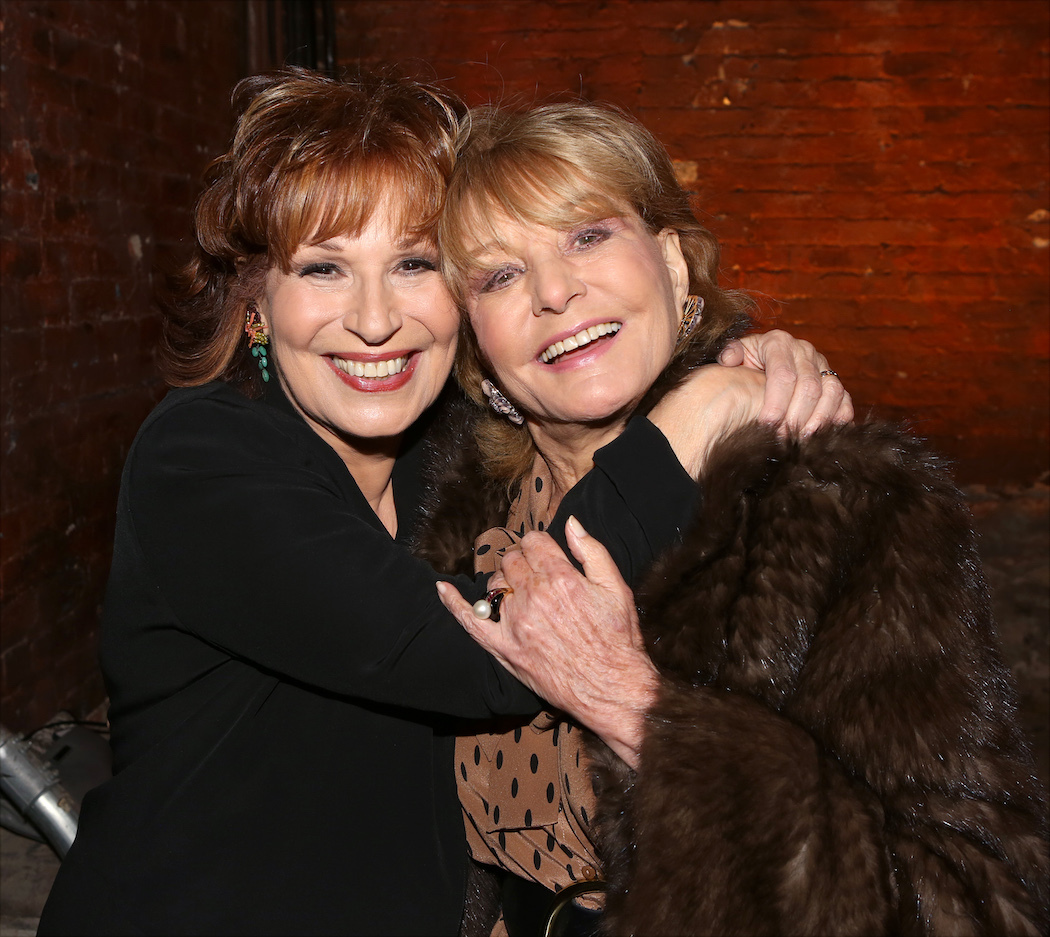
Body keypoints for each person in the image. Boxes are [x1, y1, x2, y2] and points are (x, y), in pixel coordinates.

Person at [37, 70, 844, 936]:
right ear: (256, 300)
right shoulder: (204, 460)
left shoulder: (451, 457)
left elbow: (587, 366)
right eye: (324, 268)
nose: (376, 319)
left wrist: (752, 355)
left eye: (413, 263)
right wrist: (706, 409)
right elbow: (477, 650)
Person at [429, 101, 1050, 936]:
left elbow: (978, 903)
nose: (552, 291)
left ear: (677, 268)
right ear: (474, 343)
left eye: (588, 234)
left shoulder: (838, 504)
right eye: (498, 275)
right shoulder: (450, 512)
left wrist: (638, 708)